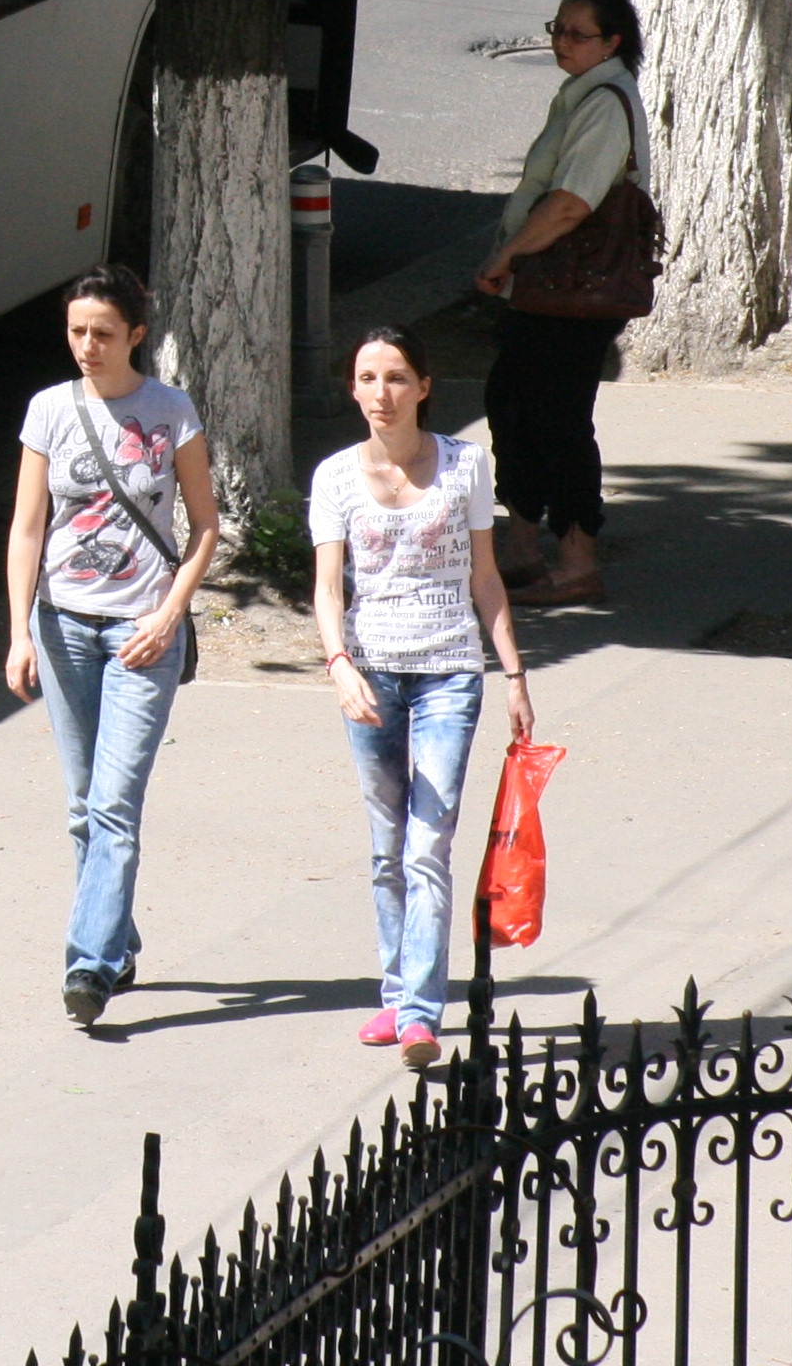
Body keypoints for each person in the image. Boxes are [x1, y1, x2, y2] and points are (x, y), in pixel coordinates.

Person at [4, 265, 221, 1031]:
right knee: (81, 806)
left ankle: (87, 966)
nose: (87, 347)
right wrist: (16, 631)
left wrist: (170, 614)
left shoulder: (170, 411)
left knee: (114, 805)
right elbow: (28, 527)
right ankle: (117, 940)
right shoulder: (49, 411)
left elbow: (204, 528)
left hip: (140, 631)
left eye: (102, 333)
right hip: (62, 623)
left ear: (135, 334)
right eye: (76, 332)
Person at [312, 323, 532, 1070]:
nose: (383, 393)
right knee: (386, 846)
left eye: (398, 377)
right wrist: (338, 663)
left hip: (448, 672)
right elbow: (327, 588)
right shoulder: (335, 477)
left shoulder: (466, 465)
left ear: (425, 387)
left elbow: (485, 577)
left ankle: (419, 1015)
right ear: (353, 388)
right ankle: (398, 987)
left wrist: (513, 675)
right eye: (369, 378)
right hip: (369, 675)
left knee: (428, 843)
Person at [475, 0, 651, 606]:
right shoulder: (583, 95)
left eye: (577, 34)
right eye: (556, 28)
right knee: (516, 402)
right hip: (552, 288)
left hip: (574, 289)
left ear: (611, 42)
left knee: (557, 419)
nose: (561, 42)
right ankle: (523, 549)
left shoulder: (604, 102)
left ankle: (577, 560)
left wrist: (506, 255)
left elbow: (572, 201)